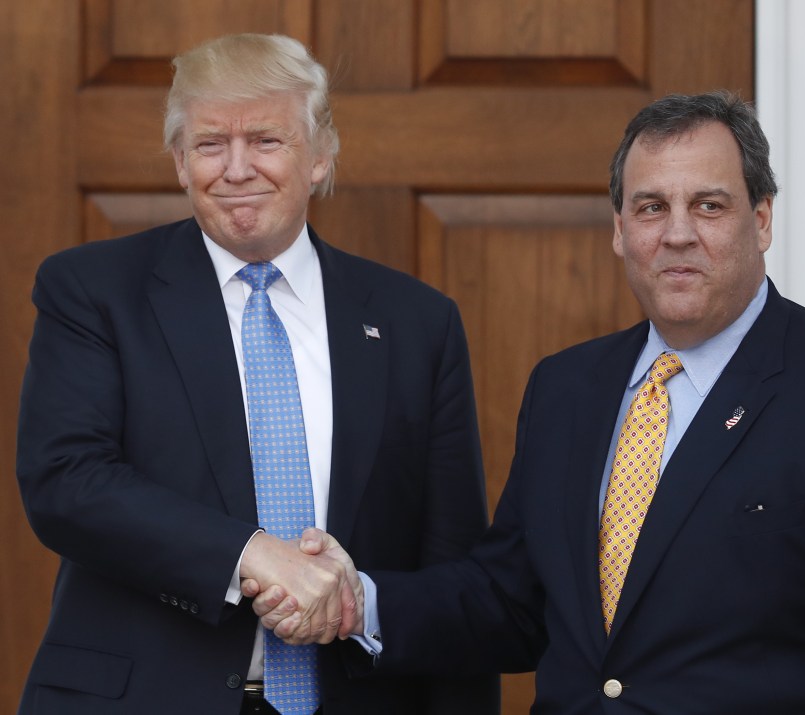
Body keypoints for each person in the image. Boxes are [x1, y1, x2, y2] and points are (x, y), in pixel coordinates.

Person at [251, 91, 805, 714]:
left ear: (763, 220)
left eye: (708, 205)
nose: (677, 232)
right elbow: (512, 602)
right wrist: (357, 602)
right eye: (651, 207)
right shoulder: (568, 387)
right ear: (621, 229)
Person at [15, 33, 497, 715]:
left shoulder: (418, 322)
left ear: (322, 154)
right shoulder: (94, 291)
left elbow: (454, 573)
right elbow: (66, 479)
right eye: (211, 144)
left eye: (266, 140)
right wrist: (254, 554)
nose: (236, 168)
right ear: (181, 162)